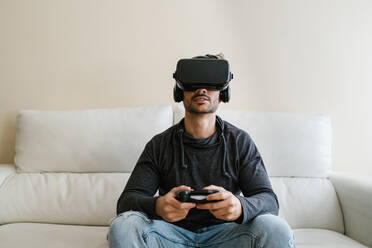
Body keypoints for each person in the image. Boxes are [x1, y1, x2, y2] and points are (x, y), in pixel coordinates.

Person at [108, 54, 295, 247]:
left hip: (228, 236)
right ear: (179, 91)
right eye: (192, 82)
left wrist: (240, 206)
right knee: (124, 225)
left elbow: (268, 200)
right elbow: (126, 202)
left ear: (224, 92)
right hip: (170, 236)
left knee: (275, 227)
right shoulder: (160, 144)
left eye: (211, 82)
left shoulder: (239, 142)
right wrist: (158, 206)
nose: (201, 89)